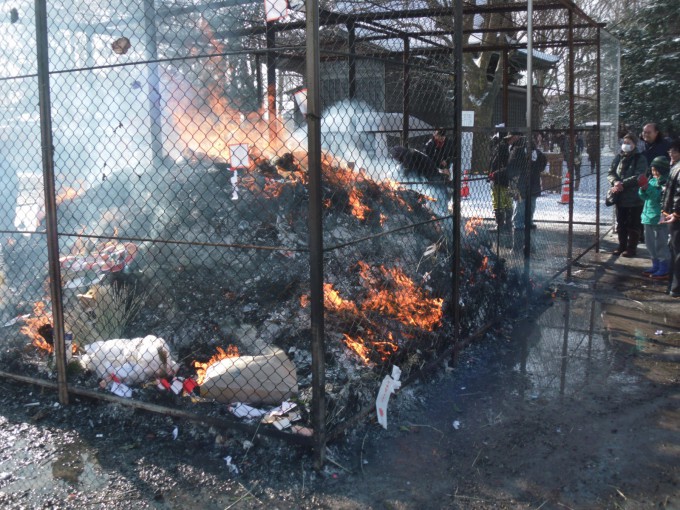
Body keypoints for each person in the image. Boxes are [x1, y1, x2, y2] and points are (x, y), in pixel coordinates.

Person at [607, 132, 648, 257]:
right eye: (624, 143)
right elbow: (611, 172)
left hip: (635, 198)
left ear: (634, 145)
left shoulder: (640, 158)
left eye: (628, 143)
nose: (625, 145)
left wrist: (621, 184)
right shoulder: (618, 157)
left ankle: (631, 248)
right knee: (621, 222)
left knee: (634, 224)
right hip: (620, 197)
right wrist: (615, 182)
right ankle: (622, 246)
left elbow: (639, 176)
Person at [638, 156, 671, 278]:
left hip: (659, 218)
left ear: (662, 170)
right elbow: (644, 197)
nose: (654, 173)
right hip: (647, 217)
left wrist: (647, 187)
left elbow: (658, 197)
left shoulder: (666, 182)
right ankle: (655, 265)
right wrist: (642, 188)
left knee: (660, 243)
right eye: (652, 170)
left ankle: (664, 267)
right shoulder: (651, 180)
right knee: (650, 243)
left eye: (656, 170)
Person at [660, 139, 680, 298]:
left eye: (673, 151)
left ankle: (676, 287)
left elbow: (679, 195)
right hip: (672, 216)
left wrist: (676, 212)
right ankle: (673, 285)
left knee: (677, 251)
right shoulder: (675, 167)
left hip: (676, 218)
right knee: (674, 250)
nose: (670, 154)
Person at [487, 131, 512, 232]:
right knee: (507, 201)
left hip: (498, 178)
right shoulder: (509, 147)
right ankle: (508, 224)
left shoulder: (500, 148)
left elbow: (495, 163)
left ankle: (500, 225)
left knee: (497, 202)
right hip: (506, 179)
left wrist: (493, 174)